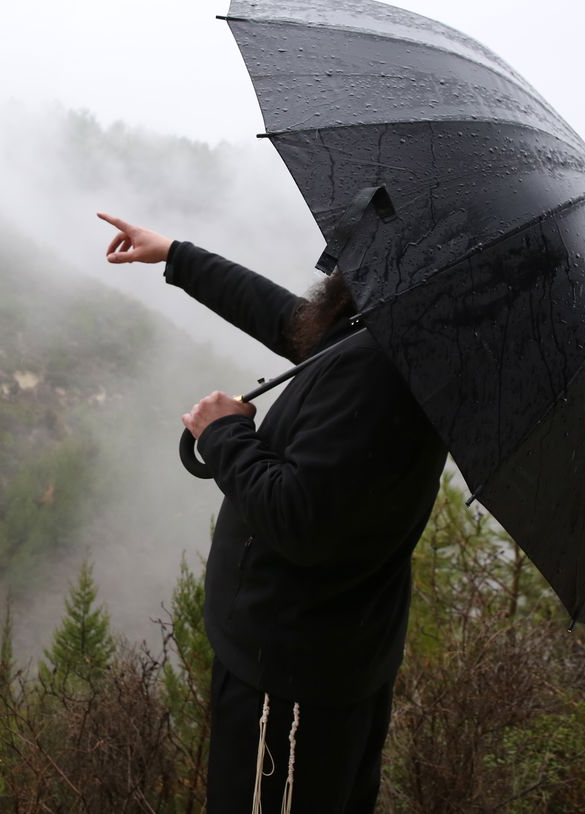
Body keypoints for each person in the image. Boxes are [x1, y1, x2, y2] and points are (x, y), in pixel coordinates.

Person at [100, 212, 446, 813]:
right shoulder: (395, 334)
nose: (339, 239)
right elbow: (298, 328)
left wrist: (223, 432)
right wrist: (177, 256)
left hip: (288, 691)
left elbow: (298, 520)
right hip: (325, 660)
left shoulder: (380, 369)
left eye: (367, 221)